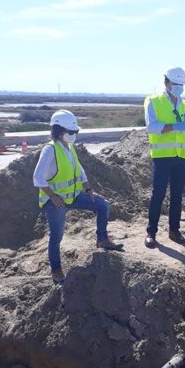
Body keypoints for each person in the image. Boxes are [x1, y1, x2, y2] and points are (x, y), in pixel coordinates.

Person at [33, 110, 123, 284]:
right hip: (55, 202)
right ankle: (56, 269)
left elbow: (79, 171)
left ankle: (102, 239)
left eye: (76, 132)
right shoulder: (50, 150)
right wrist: (52, 196)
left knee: (103, 205)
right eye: (71, 132)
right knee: (57, 236)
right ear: (59, 130)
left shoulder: (70, 148)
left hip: (73, 196)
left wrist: (88, 189)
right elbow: (37, 178)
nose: (74, 135)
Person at [144, 66, 185, 247]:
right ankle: (151, 232)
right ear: (166, 82)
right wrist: (175, 126)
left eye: (181, 84)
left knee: (177, 195)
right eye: (175, 84)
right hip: (162, 156)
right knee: (158, 194)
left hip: (181, 156)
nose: (178, 87)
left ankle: (174, 230)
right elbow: (151, 127)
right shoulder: (154, 101)